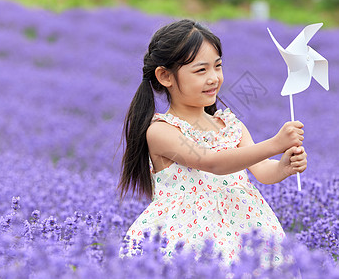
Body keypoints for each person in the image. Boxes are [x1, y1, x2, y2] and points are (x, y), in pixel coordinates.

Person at [118, 19, 307, 268]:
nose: (214, 78)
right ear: (165, 76)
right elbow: (210, 162)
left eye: (217, 67)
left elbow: (262, 171)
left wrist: (284, 165)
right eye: (201, 70)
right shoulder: (161, 131)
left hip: (244, 228)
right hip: (187, 237)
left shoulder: (229, 125)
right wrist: (275, 143)